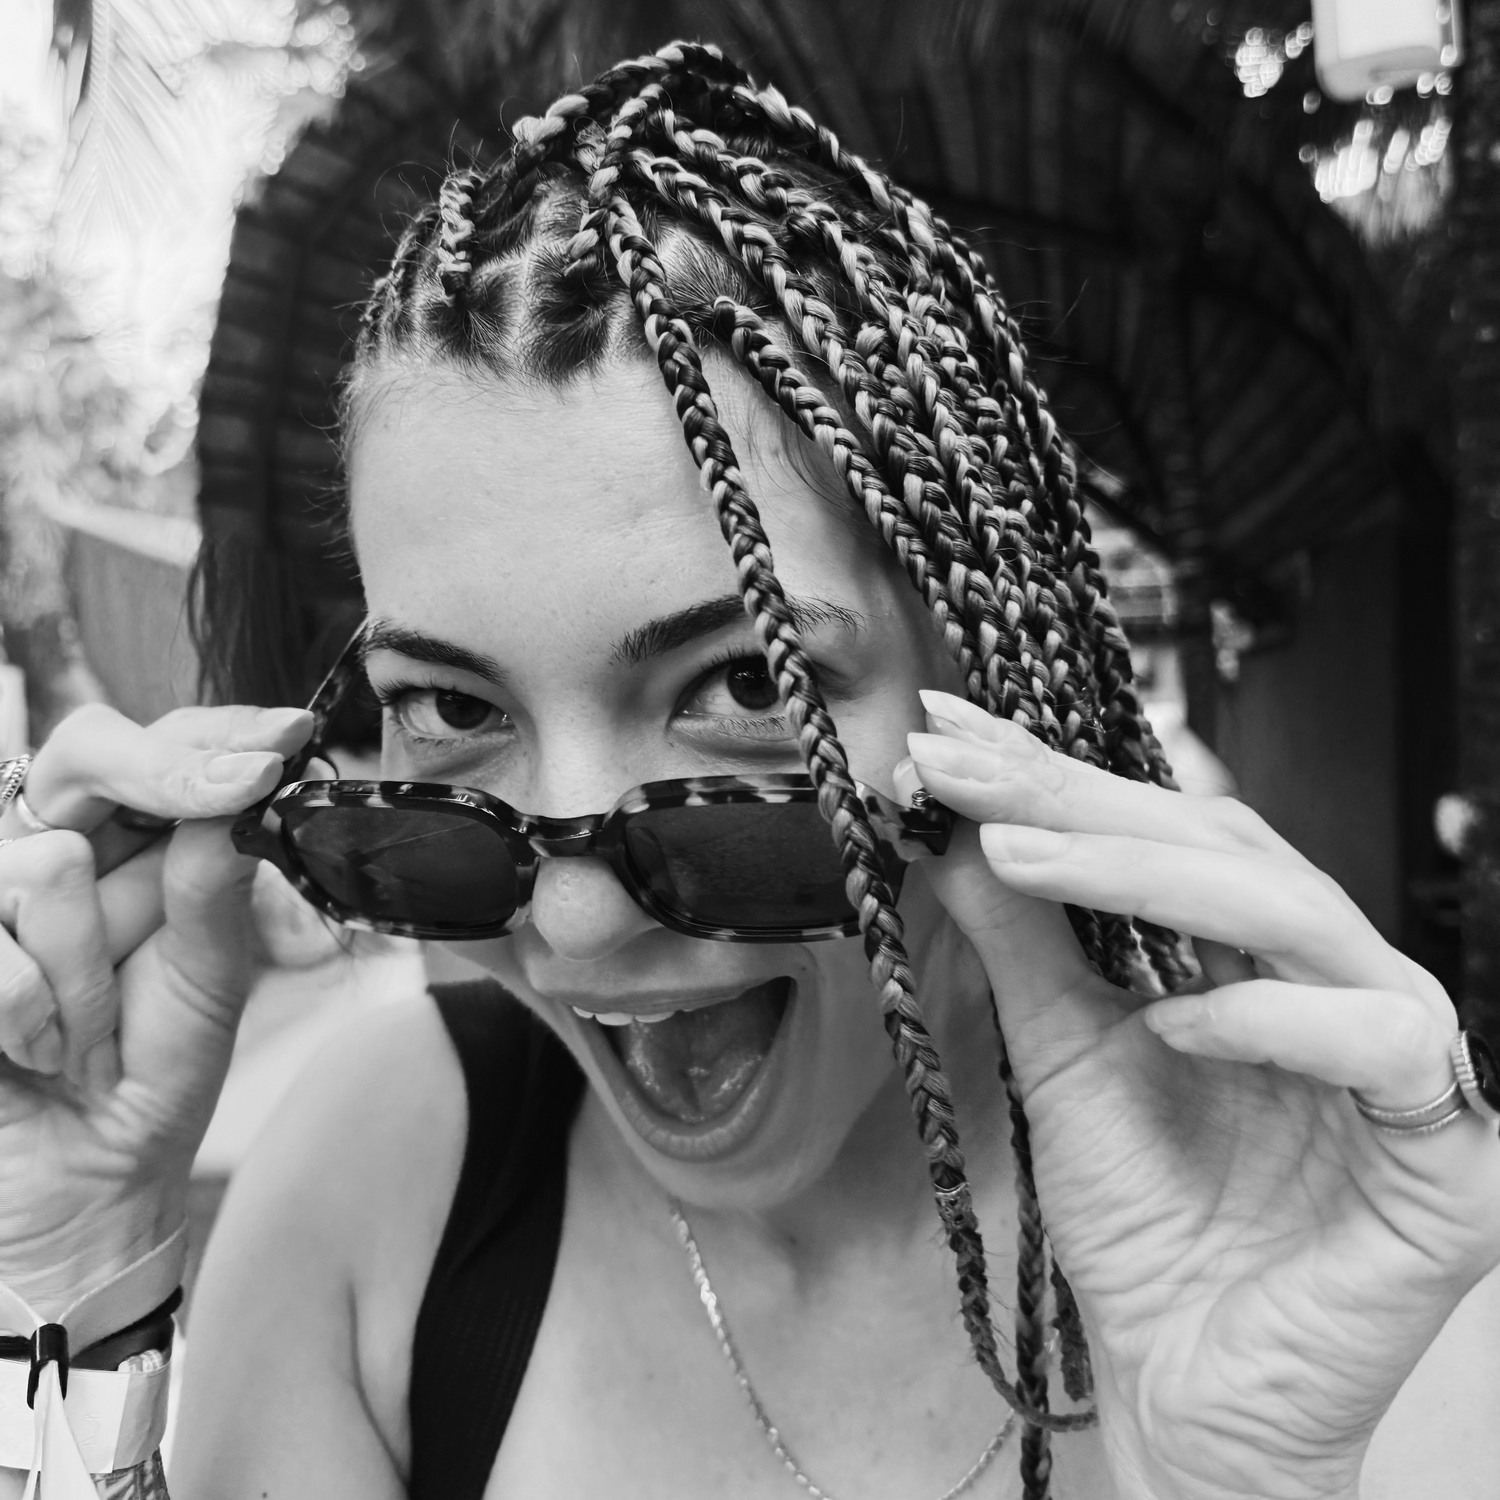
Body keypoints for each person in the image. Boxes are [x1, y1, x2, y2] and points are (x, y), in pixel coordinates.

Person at [1, 42, 1498, 1500]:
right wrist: (71, 1265)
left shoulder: (1359, 1286)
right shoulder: (378, 1182)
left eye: (746, 684)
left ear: (988, 672)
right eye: (452, 707)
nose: (576, 924)